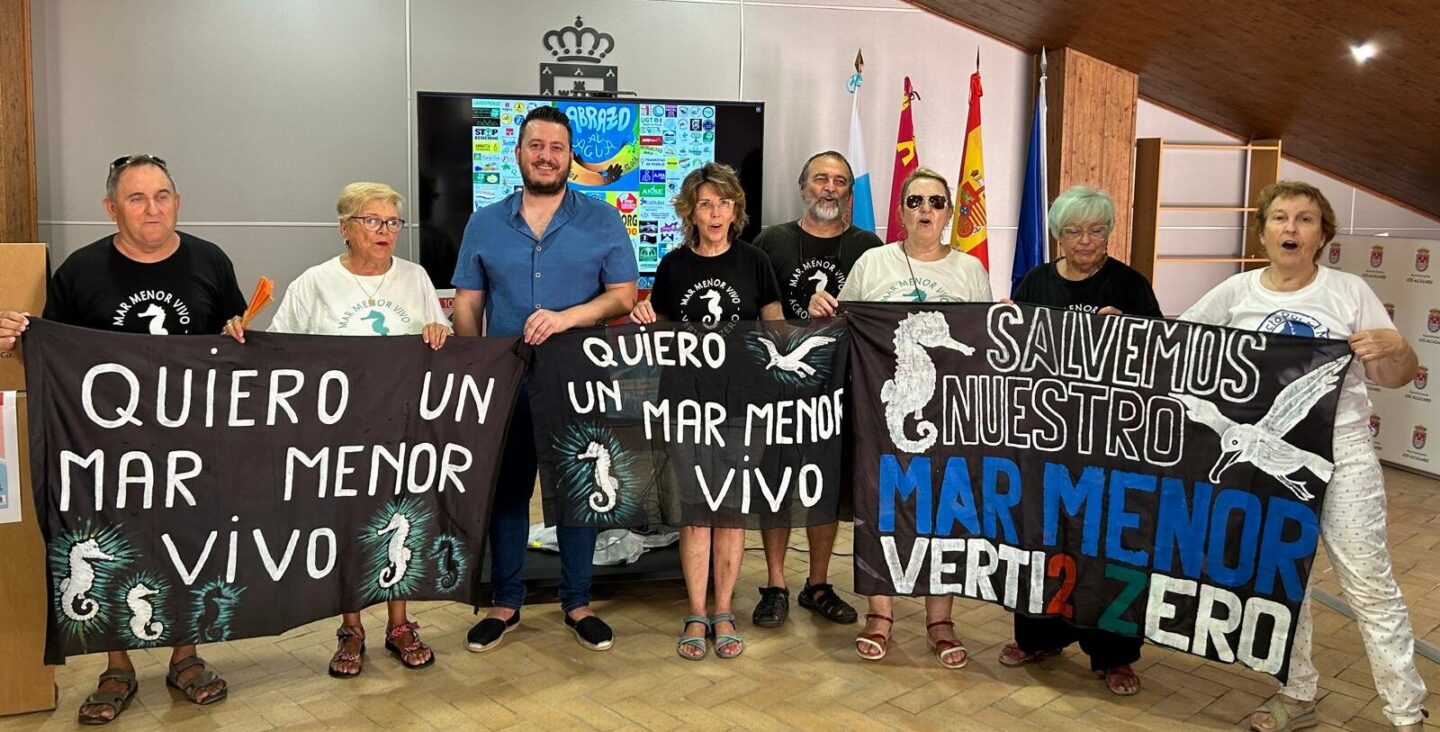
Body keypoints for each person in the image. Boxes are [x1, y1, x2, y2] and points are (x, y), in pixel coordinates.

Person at [0, 155, 244, 724]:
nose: (152, 209)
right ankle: (117, 667)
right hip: (107, 446)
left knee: (188, 544)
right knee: (108, 546)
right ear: (111, 208)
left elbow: (236, 342)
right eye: (137, 198)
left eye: (162, 196)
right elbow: (52, 351)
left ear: (177, 202)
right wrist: (16, 341)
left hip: (191, 442)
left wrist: (241, 333)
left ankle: (186, 657)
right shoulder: (81, 271)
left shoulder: (210, 261)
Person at [1180, 180, 1426, 732]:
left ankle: (1405, 712)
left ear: (1321, 235)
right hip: (1265, 465)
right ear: (1263, 232)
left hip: (1343, 452)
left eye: (1305, 219)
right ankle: (1297, 693)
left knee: (1369, 581)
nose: (1291, 228)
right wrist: (1108, 327)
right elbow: (1175, 347)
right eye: (1280, 218)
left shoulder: (1348, 292)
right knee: (1284, 576)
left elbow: (1396, 376)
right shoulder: (1236, 292)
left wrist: (1400, 349)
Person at [221, 181, 450, 678]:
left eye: (392, 222)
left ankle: (400, 623)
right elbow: (278, 348)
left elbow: (440, 338)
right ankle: (351, 628)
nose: (384, 231)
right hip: (338, 432)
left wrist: (439, 331)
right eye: (372, 221)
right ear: (345, 228)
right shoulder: (315, 283)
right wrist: (241, 336)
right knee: (347, 524)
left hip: (402, 427)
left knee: (400, 519)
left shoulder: (415, 277)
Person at [451, 105, 639, 653]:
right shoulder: (484, 222)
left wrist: (567, 317)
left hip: (579, 378)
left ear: (570, 156)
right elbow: (468, 304)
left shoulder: (602, 219)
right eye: (536, 146)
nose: (546, 156)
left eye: (557, 148)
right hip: (505, 381)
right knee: (507, 492)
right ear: (518, 153)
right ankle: (506, 602)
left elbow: (623, 296)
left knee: (578, 490)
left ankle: (577, 602)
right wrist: (473, 369)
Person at [810, 167, 991, 669]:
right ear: (900, 212)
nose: (925, 210)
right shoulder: (874, 262)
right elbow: (844, 328)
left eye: (935, 201)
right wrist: (821, 307)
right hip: (880, 407)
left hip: (950, 412)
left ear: (949, 212)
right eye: (915, 202)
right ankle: (880, 613)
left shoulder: (970, 270)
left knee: (942, 508)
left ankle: (940, 620)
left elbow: (981, 343)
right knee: (881, 503)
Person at [1001, 185, 1159, 695]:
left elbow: (1162, 360)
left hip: (1111, 442)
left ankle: (1114, 654)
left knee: (1107, 546)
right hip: (1046, 440)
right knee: (1043, 539)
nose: (1085, 240)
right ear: (1057, 236)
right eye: (1073, 231)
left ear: (1109, 233)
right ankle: (1037, 638)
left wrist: (1130, 333)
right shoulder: (1035, 282)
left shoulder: (1130, 286)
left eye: (1096, 230)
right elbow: (1013, 360)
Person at [630, 163, 781, 659]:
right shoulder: (673, 266)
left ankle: (724, 611)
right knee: (695, 512)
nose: (716, 214)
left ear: (736, 210)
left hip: (744, 406)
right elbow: (660, 335)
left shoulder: (756, 262)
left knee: (732, 511)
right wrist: (643, 315)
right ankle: (696, 613)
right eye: (706, 204)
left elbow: (775, 333)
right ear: (690, 212)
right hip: (686, 405)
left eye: (725, 203)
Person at [749, 151, 879, 629]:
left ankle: (817, 584)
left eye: (840, 181)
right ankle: (775, 584)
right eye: (821, 178)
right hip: (778, 388)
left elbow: (880, 317)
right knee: (777, 484)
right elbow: (750, 313)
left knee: (827, 485)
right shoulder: (770, 242)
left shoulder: (870, 247)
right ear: (802, 187)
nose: (830, 188)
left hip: (842, 389)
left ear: (850, 193)